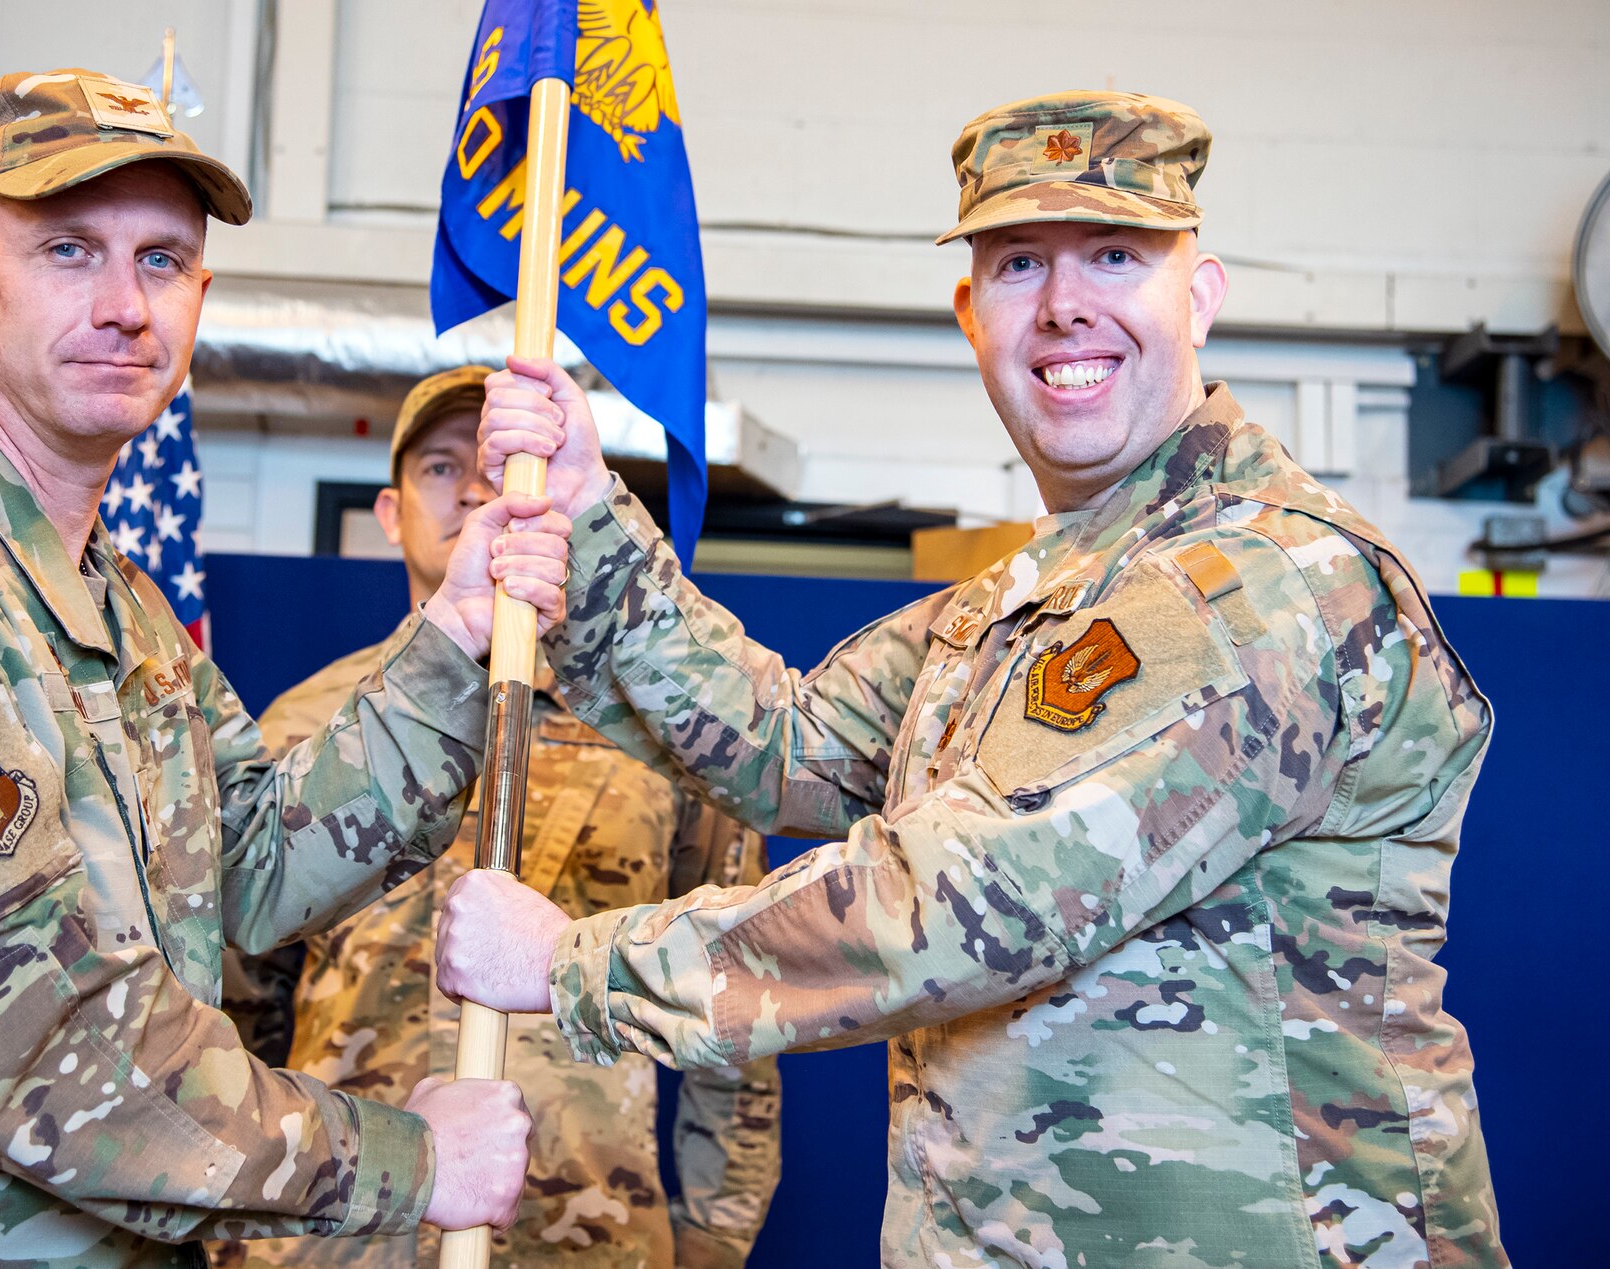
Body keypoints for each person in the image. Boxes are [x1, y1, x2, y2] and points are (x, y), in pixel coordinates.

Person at [438, 92, 1507, 1267]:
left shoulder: (1255, 579)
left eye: (1113, 255)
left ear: (1196, 298)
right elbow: (788, 747)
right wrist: (590, 519)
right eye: (1014, 264)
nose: (1062, 306)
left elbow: (957, 902)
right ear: (970, 313)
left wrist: (571, 966)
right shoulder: (1029, 596)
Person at [0, 69, 572, 1269]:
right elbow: (28, 1044)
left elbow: (256, 868)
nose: (125, 304)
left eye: (162, 260)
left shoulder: (112, 611)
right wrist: (406, 1158)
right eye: (68, 249)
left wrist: (453, 637)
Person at [211, 368, 782, 1269]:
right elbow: (239, 1009)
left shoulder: (650, 733)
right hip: (342, 1236)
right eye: (443, 466)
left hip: (588, 1231)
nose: (480, 486)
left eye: (511, 459)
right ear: (391, 512)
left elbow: (733, 1009)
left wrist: (714, 1236)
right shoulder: (303, 728)